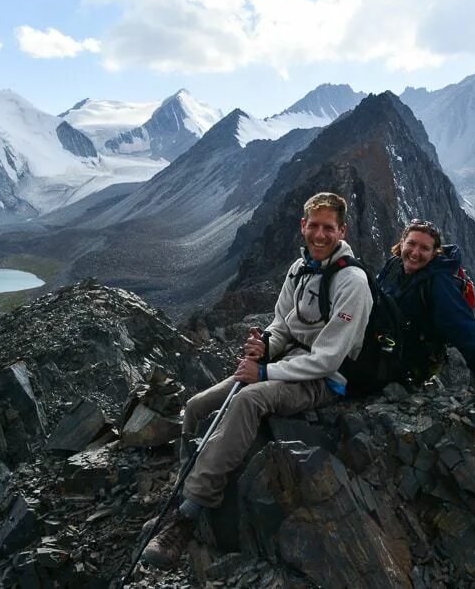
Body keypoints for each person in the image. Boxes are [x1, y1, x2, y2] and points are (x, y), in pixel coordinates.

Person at [141, 192, 374, 568]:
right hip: (285, 363)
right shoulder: (299, 269)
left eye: (327, 227)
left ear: (341, 230)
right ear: (302, 226)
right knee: (196, 407)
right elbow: (282, 324)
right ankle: (182, 496)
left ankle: (187, 518)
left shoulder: (353, 282)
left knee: (247, 400)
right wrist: (265, 345)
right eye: (313, 225)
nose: (319, 234)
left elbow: (328, 358)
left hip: (324, 378)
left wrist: (264, 372)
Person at [376, 219, 475, 385]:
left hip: (407, 363)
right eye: (411, 244)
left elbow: (462, 325)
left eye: (424, 248)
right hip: (384, 347)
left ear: (434, 253)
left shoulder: (438, 282)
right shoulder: (394, 265)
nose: (415, 253)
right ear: (402, 243)